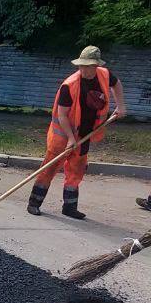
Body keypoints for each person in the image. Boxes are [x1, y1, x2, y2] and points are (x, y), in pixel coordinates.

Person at [27, 45, 126, 220]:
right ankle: (34, 203)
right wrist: (71, 138)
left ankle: (70, 207)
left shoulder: (104, 75)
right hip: (62, 135)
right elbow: (62, 114)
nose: (84, 69)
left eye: (88, 66)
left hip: (86, 133)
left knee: (77, 169)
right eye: (82, 66)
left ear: (96, 65)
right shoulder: (69, 85)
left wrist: (121, 105)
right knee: (50, 168)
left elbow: (117, 84)